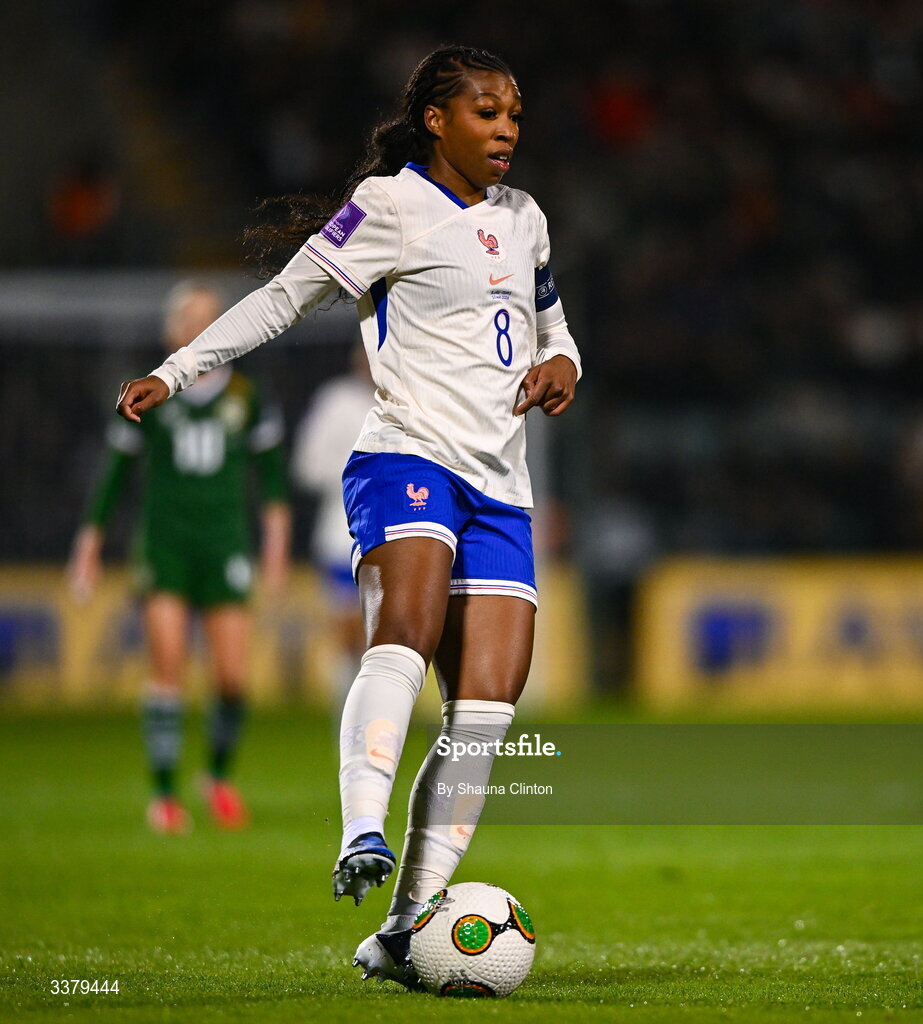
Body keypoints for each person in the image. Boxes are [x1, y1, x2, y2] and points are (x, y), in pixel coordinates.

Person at [115, 46, 580, 986]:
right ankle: (359, 829)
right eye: (486, 112)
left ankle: (405, 931)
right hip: (406, 455)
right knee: (400, 631)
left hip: (501, 483)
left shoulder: (523, 219)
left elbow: (549, 320)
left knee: (486, 710)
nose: (506, 130)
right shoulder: (389, 207)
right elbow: (284, 298)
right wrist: (176, 369)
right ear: (437, 120)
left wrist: (565, 361)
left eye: (516, 115)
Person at [69, 280, 291, 835]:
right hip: (166, 541)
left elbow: (273, 483)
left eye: (211, 317)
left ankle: (215, 777)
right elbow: (115, 474)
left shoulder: (247, 395)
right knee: (168, 666)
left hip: (224, 542)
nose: (202, 325)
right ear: (172, 331)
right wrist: (89, 543)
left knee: (234, 678)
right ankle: (164, 794)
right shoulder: (150, 393)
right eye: (191, 317)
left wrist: (276, 549)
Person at [291, 343, 375, 708]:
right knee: (349, 636)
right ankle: (349, 725)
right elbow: (306, 465)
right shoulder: (337, 401)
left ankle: (381, 720)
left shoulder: (413, 398)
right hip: (344, 534)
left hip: (405, 535)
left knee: (388, 637)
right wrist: (358, 474)